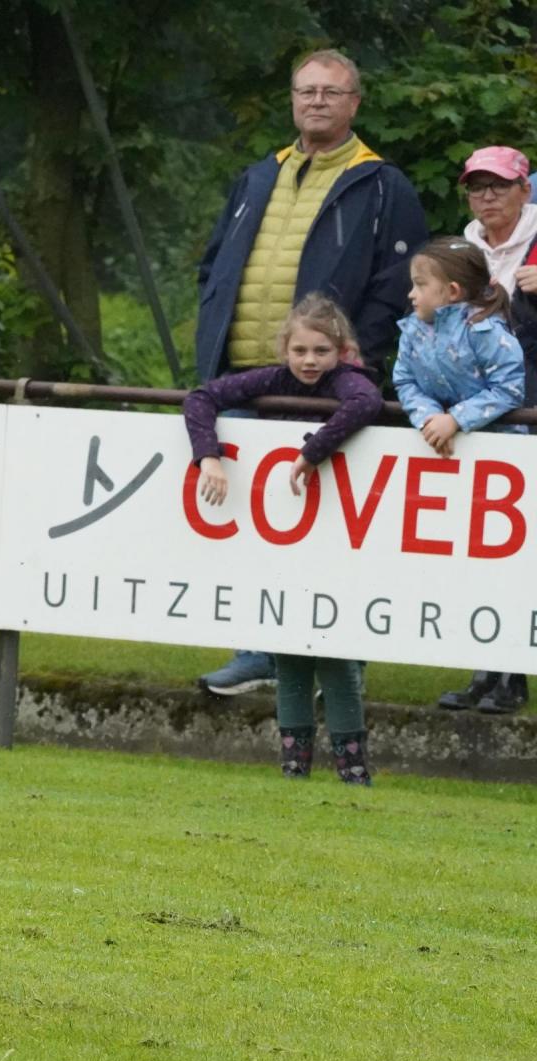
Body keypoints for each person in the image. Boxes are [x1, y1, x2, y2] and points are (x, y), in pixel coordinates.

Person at [194, 48, 428, 696]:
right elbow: (212, 264)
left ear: (355, 103)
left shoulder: (382, 184)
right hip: (244, 377)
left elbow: (400, 285)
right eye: (306, 91)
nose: (316, 101)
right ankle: (257, 651)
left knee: (330, 529)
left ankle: (335, 662)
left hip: (329, 389)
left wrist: (356, 358)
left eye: (331, 91)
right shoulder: (256, 177)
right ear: (293, 101)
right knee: (249, 524)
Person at [183, 295, 383, 783]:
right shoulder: (274, 379)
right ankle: (294, 763)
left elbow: (367, 402)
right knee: (287, 642)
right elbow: (201, 397)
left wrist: (312, 453)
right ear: (284, 349)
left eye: (321, 351)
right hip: (283, 530)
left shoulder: (345, 381)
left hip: (339, 530)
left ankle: (352, 765)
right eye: (299, 351)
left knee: (333, 644)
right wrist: (209, 456)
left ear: (341, 351)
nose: (309, 361)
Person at [386, 237, 529, 716]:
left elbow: (510, 388)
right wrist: (430, 417)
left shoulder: (486, 330)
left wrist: (458, 419)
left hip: (503, 465)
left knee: (506, 571)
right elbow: (405, 380)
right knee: (471, 572)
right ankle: (480, 673)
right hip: (453, 461)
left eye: (419, 285)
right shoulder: (414, 331)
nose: (411, 294)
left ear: (450, 291)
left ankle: (510, 678)